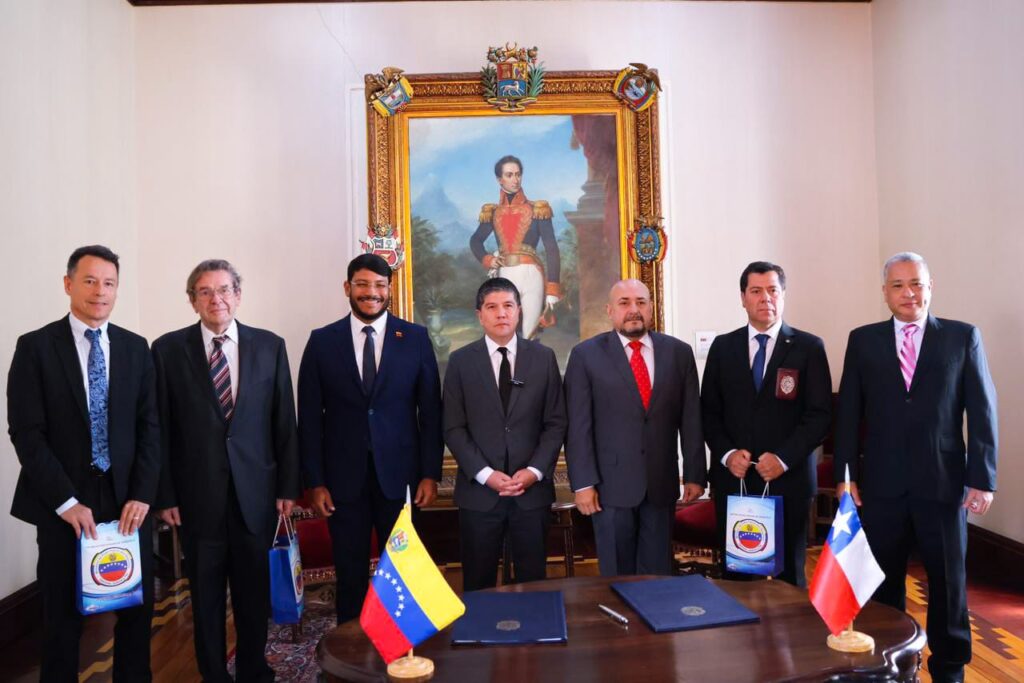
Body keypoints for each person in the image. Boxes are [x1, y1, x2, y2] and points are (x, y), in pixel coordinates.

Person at [836, 252, 997, 683]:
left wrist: (982, 478)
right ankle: (891, 664)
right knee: (882, 583)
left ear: (930, 287)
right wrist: (846, 478)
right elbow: (848, 413)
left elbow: (983, 410)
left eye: (917, 284)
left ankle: (950, 669)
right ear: (885, 292)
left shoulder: (962, 337)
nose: (909, 293)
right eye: (898, 285)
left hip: (944, 485)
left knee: (948, 583)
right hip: (881, 485)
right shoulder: (863, 341)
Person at [7, 245, 160, 682]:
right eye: (90, 281)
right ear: (68, 284)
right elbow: (26, 432)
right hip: (65, 506)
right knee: (62, 618)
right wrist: (65, 501)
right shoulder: (35, 347)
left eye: (109, 283)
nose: (100, 291)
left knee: (136, 613)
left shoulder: (135, 348)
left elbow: (151, 427)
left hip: (128, 502)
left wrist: (142, 494)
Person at [153, 259, 299, 683]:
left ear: (238, 295)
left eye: (223, 290)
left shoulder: (269, 346)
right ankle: (214, 674)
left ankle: (254, 670)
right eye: (205, 292)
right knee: (206, 598)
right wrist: (165, 495)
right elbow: (159, 428)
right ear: (192, 300)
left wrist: (288, 486)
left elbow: (284, 423)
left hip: (256, 495)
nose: (215, 299)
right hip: (197, 500)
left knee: (253, 596)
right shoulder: (167, 350)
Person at [297, 253, 443, 622]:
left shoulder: (415, 338)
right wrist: (315, 482)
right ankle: (351, 647)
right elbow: (309, 419)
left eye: (379, 285)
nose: (371, 292)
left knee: (402, 573)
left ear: (389, 290)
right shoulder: (322, 342)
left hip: (401, 478)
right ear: (347, 288)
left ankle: (403, 646)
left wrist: (430, 473)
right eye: (362, 284)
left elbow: (430, 412)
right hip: (342, 483)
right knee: (350, 574)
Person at [700, 261, 832, 587]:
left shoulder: (809, 347)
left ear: (783, 295)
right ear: (743, 298)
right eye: (756, 291)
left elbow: (820, 416)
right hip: (736, 481)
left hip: (789, 481)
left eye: (773, 290)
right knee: (738, 576)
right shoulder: (723, 348)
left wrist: (783, 458)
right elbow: (708, 413)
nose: (765, 298)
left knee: (790, 578)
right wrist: (727, 454)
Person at [564, 278, 706, 576]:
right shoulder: (585, 356)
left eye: (641, 302)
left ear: (651, 308)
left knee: (658, 576)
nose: (634, 309)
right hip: (609, 489)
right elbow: (578, 426)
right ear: (610, 310)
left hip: (660, 484)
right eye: (624, 303)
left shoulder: (678, 353)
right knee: (617, 576)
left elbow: (691, 418)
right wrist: (583, 484)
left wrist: (695, 474)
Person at [443, 278, 567, 591]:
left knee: (534, 585)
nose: (501, 313)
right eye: (492, 307)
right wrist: (486, 475)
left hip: (531, 495)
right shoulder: (460, 362)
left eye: (508, 306)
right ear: (479, 315)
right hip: (480, 494)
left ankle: (532, 627)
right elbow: (453, 427)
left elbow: (555, 423)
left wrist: (534, 471)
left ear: (519, 311)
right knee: (478, 585)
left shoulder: (543, 358)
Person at [470, 155, 561, 338]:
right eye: (509, 175)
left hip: (531, 275)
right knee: (505, 331)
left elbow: (552, 249)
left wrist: (552, 289)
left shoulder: (538, 209)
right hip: (505, 275)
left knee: (529, 333)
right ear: (499, 179)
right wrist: (489, 259)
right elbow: (475, 241)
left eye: (518, 174)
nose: (515, 179)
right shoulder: (493, 212)